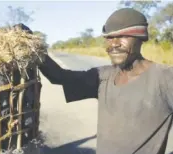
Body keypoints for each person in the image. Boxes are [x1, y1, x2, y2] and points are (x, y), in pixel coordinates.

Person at [38, 8, 173, 154]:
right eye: (109, 37)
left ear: (140, 37)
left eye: (123, 36)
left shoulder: (164, 78)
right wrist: (33, 46)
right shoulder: (103, 76)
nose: (114, 44)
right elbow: (59, 76)